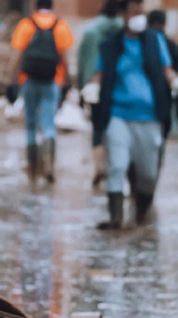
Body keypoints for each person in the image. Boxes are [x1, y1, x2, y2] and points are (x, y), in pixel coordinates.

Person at [82, 0, 178, 230]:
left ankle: (140, 215)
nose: (139, 17)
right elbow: (99, 73)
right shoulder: (111, 45)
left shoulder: (154, 41)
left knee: (148, 174)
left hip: (149, 117)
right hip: (118, 114)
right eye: (134, 12)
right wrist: (92, 88)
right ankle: (116, 218)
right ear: (123, 14)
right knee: (117, 165)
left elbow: (167, 70)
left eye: (141, 12)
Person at [9, 0, 74, 185]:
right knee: (48, 124)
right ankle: (49, 167)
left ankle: (33, 170)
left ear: (35, 6)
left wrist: (11, 81)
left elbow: (17, 56)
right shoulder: (60, 26)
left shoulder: (26, 25)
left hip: (28, 81)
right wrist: (67, 82)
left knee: (30, 126)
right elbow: (65, 59)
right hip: (52, 81)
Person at [76, 0, 123, 189]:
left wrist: (81, 88)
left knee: (97, 127)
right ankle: (113, 166)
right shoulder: (123, 30)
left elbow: (82, 62)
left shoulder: (90, 30)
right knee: (116, 127)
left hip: (94, 88)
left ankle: (99, 166)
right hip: (119, 87)